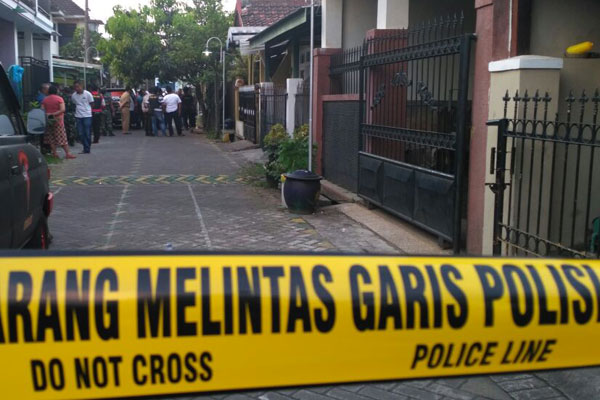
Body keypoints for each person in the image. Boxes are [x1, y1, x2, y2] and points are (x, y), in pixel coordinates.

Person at [41, 86, 76, 159]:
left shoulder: (45, 99)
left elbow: (42, 110)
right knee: (62, 137)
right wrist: (54, 114)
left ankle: (54, 153)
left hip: (48, 121)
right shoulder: (59, 98)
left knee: (51, 138)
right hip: (58, 120)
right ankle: (68, 153)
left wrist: (49, 114)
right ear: (56, 91)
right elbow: (62, 109)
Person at [72, 81, 94, 154]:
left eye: (78, 86)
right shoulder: (74, 95)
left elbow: (92, 103)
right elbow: (74, 103)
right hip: (78, 116)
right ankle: (85, 147)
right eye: (75, 87)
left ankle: (87, 148)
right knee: (80, 133)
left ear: (82, 86)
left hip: (87, 115)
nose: (77, 88)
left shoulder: (88, 94)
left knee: (87, 132)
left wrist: (88, 110)